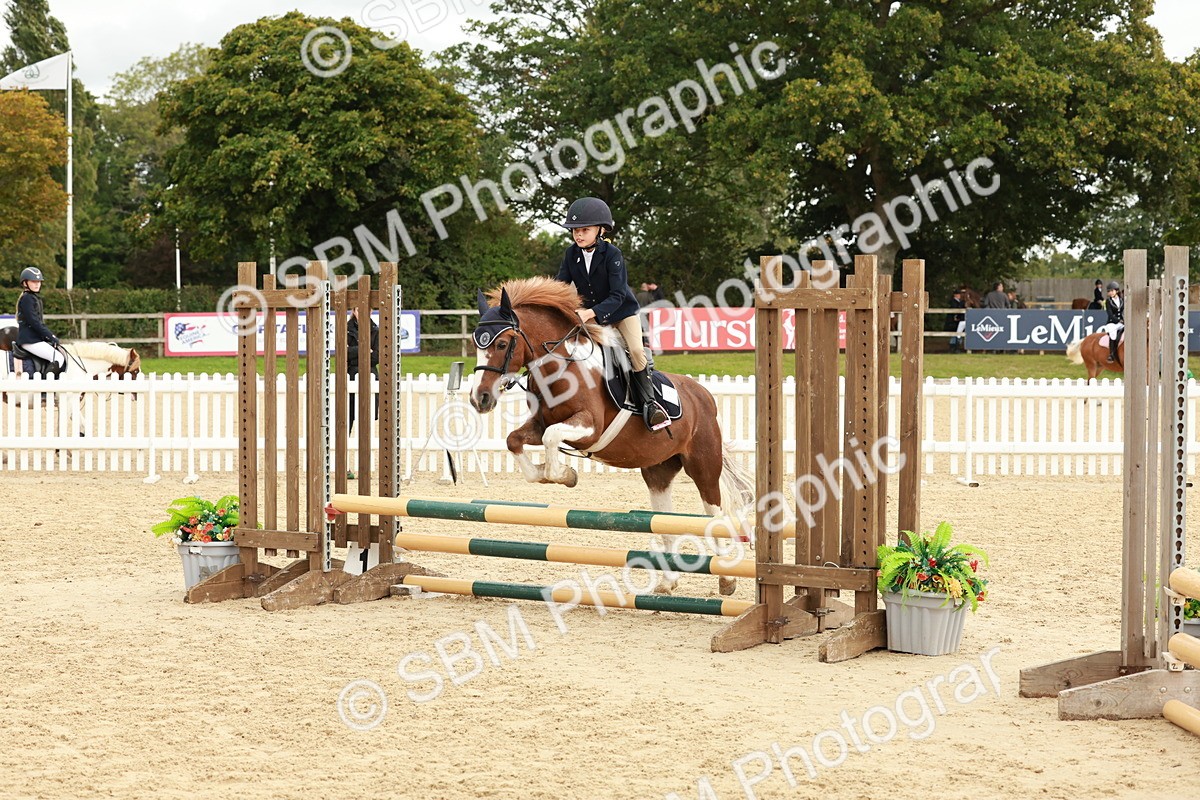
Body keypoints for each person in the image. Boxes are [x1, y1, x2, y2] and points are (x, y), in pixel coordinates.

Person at [554, 197, 669, 431]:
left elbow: (617, 295)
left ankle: (651, 404)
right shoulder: (571, 254)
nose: (578, 235)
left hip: (621, 313)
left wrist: (590, 313)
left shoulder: (613, 254)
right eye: (575, 230)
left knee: (635, 351)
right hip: (592, 315)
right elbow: (560, 286)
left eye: (585, 230)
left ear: (600, 230)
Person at [15, 267, 65, 376]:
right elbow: (34, 322)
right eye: (33, 281)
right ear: (25, 283)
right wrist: (51, 336)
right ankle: (43, 390)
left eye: (39, 282)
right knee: (58, 358)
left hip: (35, 339)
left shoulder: (34, 297)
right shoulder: (27, 298)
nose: (37, 284)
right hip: (30, 340)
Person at [345, 307, 379, 433]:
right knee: (347, 416)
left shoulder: (376, 330)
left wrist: (354, 351)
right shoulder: (346, 330)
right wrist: (364, 349)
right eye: (359, 310)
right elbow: (344, 354)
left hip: (370, 374)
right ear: (354, 311)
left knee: (367, 416)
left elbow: (376, 357)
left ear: (370, 311)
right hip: (350, 374)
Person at [1103, 280, 1123, 363]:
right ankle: (1111, 354)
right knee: (1113, 335)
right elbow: (1110, 314)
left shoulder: (1121, 300)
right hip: (1112, 323)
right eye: (1109, 291)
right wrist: (1119, 320)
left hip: (1121, 322)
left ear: (1116, 291)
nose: (1110, 293)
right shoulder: (1108, 301)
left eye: (1112, 291)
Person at [946, 288, 966, 353]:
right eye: (958, 294)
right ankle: (953, 348)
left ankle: (956, 347)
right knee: (955, 334)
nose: (959, 295)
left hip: (958, 320)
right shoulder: (953, 302)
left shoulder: (960, 302)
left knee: (957, 334)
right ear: (955, 295)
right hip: (953, 321)